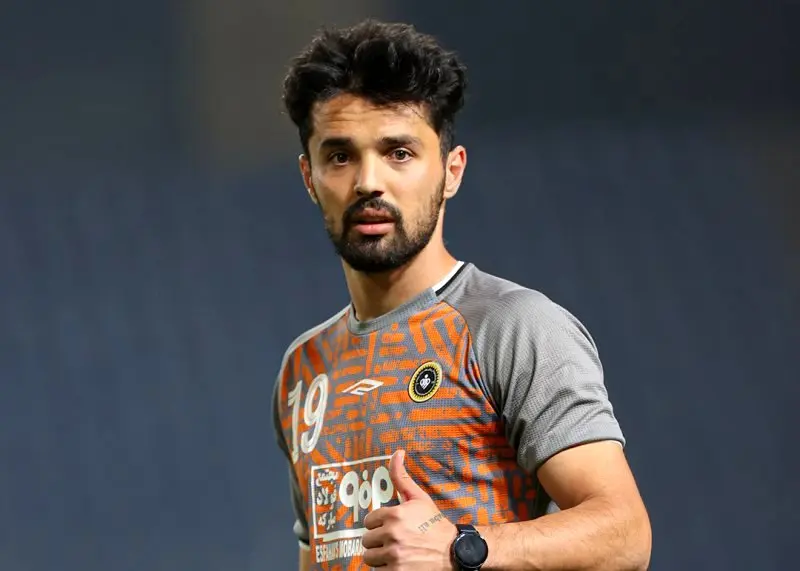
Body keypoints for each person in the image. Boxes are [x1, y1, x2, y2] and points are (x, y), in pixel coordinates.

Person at [272, 19, 651, 571]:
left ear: (451, 172)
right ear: (309, 178)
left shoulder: (513, 328)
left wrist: (460, 548)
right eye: (340, 156)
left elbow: (625, 535)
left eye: (399, 153)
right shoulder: (303, 370)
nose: (368, 182)